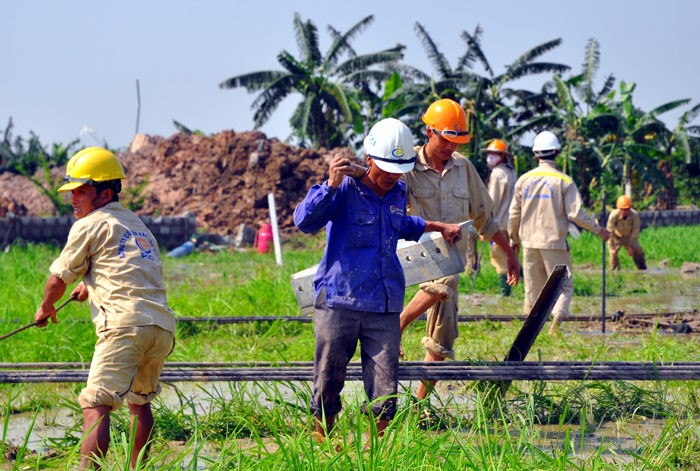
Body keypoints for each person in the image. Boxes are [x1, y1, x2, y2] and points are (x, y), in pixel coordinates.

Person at [293, 118, 462, 443]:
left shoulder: (398, 191)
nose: (391, 178)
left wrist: (439, 226)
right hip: (339, 301)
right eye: (385, 170)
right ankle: (322, 445)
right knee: (328, 379)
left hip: (384, 305)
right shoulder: (342, 189)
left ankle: (375, 454)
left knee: (385, 387)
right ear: (369, 159)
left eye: (398, 171)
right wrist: (329, 185)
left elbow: (402, 224)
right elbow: (304, 221)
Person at [34, 147, 176, 470]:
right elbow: (126, 268)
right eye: (72, 192)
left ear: (105, 193)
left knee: (96, 405)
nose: (74, 200)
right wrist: (91, 285)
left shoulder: (90, 223)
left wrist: (45, 307)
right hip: (160, 327)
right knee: (140, 404)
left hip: (124, 327)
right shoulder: (138, 227)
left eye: (81, 192)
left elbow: (58, 278)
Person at [399, 98, 520, 400]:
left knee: (443, 338)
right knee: (447, 279)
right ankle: (397, 323)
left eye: (456, 141)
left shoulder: (463, 169)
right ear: (429, 131)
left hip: (450, 264)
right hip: (415, 258)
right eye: (445, 139)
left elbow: (485, 219)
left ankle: (417, 405)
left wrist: (510, 254)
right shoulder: (407, 167)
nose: (450, 147)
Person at [508, 131, 610, 335]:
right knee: (564, 285)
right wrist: (599, 231)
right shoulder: (563, 181)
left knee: (533, 289)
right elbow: (576, 213)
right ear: (557, 152)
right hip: (553, 242)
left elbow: (513, 213)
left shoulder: (524, 180)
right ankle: (556, 323)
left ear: (536, 154)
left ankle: (530, 332)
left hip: (529, 242)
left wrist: (513, 239)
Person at [482, 139, 517, 296]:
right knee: (512, 255)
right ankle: (517, 283)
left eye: (495, 154)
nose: (491, 157)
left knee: (499, 258)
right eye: (490, 153)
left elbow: (492, 201)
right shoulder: (511, 172)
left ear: (502, 156)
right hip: (512, 222)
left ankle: (505, 291)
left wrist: (485, 223)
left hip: (499, 223)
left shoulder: (497, 174)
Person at [607, 195, 647, 270]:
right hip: (616, 238)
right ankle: (614, 272)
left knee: (639, 251)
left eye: (626, 209)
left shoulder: (634, 215)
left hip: (629, 238)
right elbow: (610, 232)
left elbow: (635, 231)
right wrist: (612, 248)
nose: (624, 211)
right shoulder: (613, 215)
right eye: (622, 209)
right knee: (613, 255)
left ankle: (642, 269)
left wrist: (631, 247)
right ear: (618, 208)